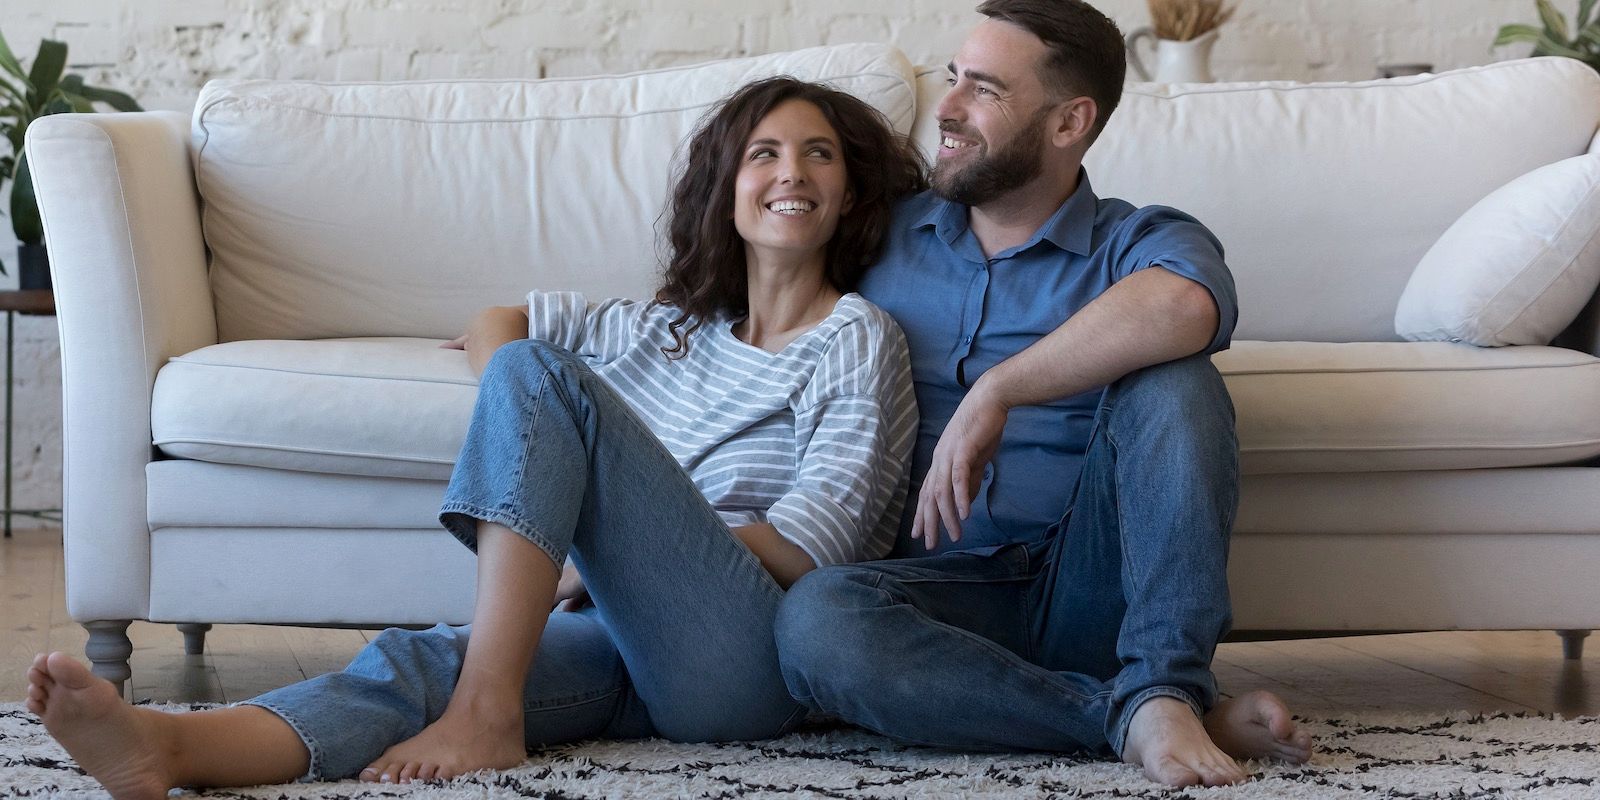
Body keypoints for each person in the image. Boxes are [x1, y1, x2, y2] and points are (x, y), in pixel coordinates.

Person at [23, 76, 924, 796]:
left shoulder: (857, 337)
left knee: (537, 375)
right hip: (622, 639)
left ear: (850, 193)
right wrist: (541, 459)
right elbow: (502, 317)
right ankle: (171, 750)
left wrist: (615, 553)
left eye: (820, 154)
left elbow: (815, 546)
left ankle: (487, 713)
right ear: (728, 189)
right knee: (419, 660)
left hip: (745, 657)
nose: (792, 173)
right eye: (764, 154)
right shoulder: (670, 328)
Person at [772, 0, 1315, 789]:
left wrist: (1001, 387)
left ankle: (1160, 677)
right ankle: (1135, 713)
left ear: (1069, 123)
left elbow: (1186, 305)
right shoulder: (879, 235)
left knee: (1177, 376)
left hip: (1088, 580)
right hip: (939, 599)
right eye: (952, 79)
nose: (947, 111)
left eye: (983, 91)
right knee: (817, 620)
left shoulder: (1139, 239)